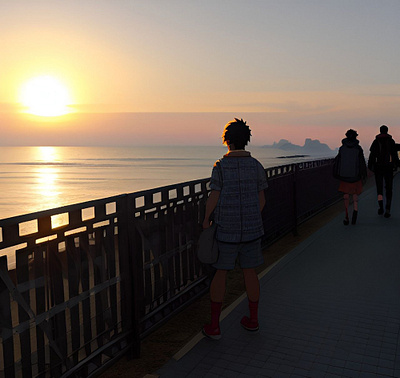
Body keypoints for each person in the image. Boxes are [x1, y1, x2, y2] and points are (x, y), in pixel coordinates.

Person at [201, 118, 268, 340]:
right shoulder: (256, 166)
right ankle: (254, 320)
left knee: (221, 273)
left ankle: (214, 326)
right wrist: (252, 217)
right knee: (250, 273)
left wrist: (206, 219)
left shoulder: (220, 167)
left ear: (227, 141)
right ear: (246, 140)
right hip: (252, 229)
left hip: (226, 230)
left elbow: (214, 196)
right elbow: (261, 200)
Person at [333, 129, 367, 225]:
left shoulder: (342, 148)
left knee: (346, 195)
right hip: (355, 176)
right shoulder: (358, 148)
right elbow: (361, 163)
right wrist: (363, 174)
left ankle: (346, 215)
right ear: (356, 137)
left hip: (344, 176)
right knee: (355, 195)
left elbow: (338, 162)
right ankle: (355, 213)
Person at [368, 125, 399, 218]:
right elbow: (394, 155)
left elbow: (372, 156)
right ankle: (388, 208)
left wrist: (371, 167)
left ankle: (381, 207)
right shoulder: (391, 141)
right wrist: (395, 165)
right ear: (387, 131)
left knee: (380, 189)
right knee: (389, 189)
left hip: (378, 168)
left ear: (380, 131)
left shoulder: (376, 141)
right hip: (388, 168)